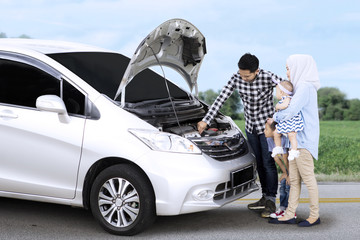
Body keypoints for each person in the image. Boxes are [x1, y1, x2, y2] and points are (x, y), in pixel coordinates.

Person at [197, 53, 285, 218]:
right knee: (258, 163)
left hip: (267, 129)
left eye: (247, 75)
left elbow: (287, 89)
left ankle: (271, 201)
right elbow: (221, 99)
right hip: (250, 128)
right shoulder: (236, 78)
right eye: (241, 74)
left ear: (256, 71)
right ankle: (264, 197)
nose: (243, 78)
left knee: (268, 163)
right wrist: (205, 120)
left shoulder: (267, 77)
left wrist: (280, 115)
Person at [269, 54, 321, 227]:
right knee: (295, 180)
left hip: (303, 143)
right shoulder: (300, 87)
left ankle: (314, 216)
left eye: (288, 68)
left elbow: (290, 112)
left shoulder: (305, 87)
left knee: (308, 180)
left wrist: (275, 115)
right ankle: (289, 214)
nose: (287, 72)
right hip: (295, 143)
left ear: (299, 67)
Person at [264, 119, 292, 219]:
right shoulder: (269, 140)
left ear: (274, 131)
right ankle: (282, 208)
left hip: (293, 163)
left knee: (288, 185)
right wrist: (285, 173)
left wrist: (289, 174)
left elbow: (285, 157)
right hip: (287, 167)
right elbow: (276, 158)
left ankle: (290, 210)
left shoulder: (283, 139)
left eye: (266, 129)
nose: (264, 131)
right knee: (283, 185)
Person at [271, 80, 304, 161]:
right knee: (276, 133)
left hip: (290, 122)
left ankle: (294, 150)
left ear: (281, 92)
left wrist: (278, 106)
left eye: (277, 91)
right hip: (285, 122)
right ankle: (278, 147)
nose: (276, 94)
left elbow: (285, 105)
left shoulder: (287, 98)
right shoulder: (284, 98)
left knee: (291, 135)